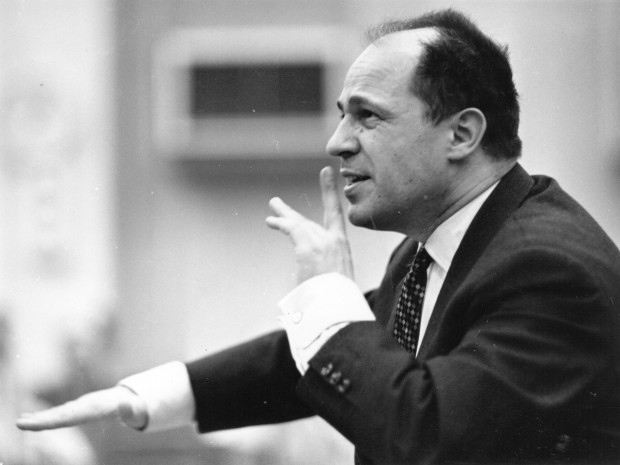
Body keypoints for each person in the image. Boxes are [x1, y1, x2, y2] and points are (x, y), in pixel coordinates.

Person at [16, 8, 620, 464]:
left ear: (461, 135)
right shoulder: (447, 243)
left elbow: (426, 438)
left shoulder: (547, 268)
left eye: (368, 116)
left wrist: (330, 296)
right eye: (341, 114)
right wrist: (146, 397)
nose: (337, 142)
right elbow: (312, 361)